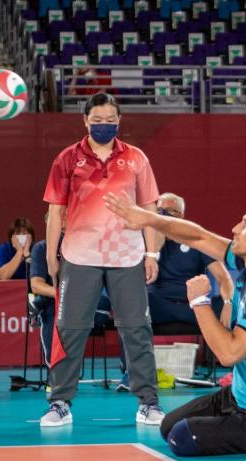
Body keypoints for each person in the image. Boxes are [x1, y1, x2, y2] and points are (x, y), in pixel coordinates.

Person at [104, 192, 246, 456]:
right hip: (239, 398)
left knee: (182, 438)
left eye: (245, 225)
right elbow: (198, 236)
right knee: (168, 426)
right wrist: (148, 219)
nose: (234, 229)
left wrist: (199, 300)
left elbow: (229, 354)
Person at [39, 92, 163, 427]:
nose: (104, 125)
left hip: (127, 256)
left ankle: (148, 402)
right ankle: (60, 403)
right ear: (85, 121)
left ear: (119, 121)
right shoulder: (67, 159)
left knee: (137, 329)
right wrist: (52, 255)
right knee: (69, 330)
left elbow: (150, 209)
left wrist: (152, 253)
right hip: (80, 256)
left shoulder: (136, 159)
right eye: (97, 121)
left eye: (110, 120)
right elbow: (55, 212)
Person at [116, 192, 234, 392]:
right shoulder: (146, 241)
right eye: (159, 211)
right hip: (159, 302)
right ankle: (132, 373)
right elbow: (136, 276)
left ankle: (237, 372)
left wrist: (229, 304)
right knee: (130, 305)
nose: (163, 215)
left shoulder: (197, 241)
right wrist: (157, 237)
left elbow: (224, 279)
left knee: (233, 304)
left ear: (181, 215)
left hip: (193, 305)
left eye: (168, 212)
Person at [30, 211, 112, 368]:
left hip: (92, 306)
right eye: (58, 219)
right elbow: (36, 285)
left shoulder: (89, 245)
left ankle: (38, 303)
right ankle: (56, 370)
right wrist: (62, 295)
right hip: (60, 306)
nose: (62, 222)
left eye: (67, 216)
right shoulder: (41, 248)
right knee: (53, 311)